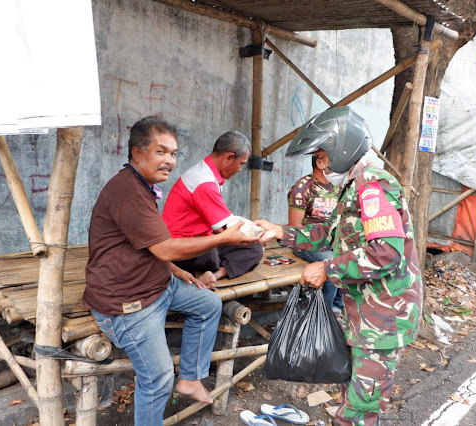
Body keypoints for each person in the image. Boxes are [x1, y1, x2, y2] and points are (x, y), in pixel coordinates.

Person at [84, 116, 259, 426]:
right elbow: (164, 247)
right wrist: (225, 237)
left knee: (208, 304)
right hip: (127, 303)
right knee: (158, 378)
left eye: (174, 153)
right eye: (160, 152)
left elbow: (148, 246)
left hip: (156, 283)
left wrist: (173, 270)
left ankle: (190, 379)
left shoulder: (143, 185)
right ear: (138, 153)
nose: (169, 161)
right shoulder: (129, 192)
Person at [257, 106, 422, 426]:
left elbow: (387, 252)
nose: (321, 164)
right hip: (364, 314)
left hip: (384, 318)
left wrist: (327, 269)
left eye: (321, 156)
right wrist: (280, 232)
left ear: (341, 147)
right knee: (354, 394)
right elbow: (325, 235)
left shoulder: (373, 185)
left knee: (359, 411)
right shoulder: (352, 188)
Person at [162, 130, 264, 284]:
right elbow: (226, 230)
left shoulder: (206, 173)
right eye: (241, 164)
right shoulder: (205, 183)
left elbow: (220, 227)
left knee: (252, 248)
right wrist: (255, 236)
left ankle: (216, 274)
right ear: (229, 157)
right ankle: (206, 271)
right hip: (181, 248)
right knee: (247, 246)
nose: (240, 169)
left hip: (195, 240)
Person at [288, 151, 343, 312]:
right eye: (332, 160)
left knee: (349, 256)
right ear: (320, 163)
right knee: (331, 262)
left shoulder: (338, 187)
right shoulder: (302, 187)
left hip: (332, 241)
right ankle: (324, 312)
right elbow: (295, 227)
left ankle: (338, 307)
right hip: (306, 241)